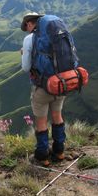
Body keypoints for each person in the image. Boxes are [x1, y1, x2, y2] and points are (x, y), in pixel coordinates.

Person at [21, 12, 66, 166]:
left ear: (29, 24)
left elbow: (26, 67)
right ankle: (59, 152)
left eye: (26, 26)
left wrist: (24, 54)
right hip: (60, 84)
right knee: (57, 116)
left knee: (41, 121)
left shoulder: (29, 39)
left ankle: (42, 156)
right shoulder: (56, 35)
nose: (26, 30)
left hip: (42, 87)